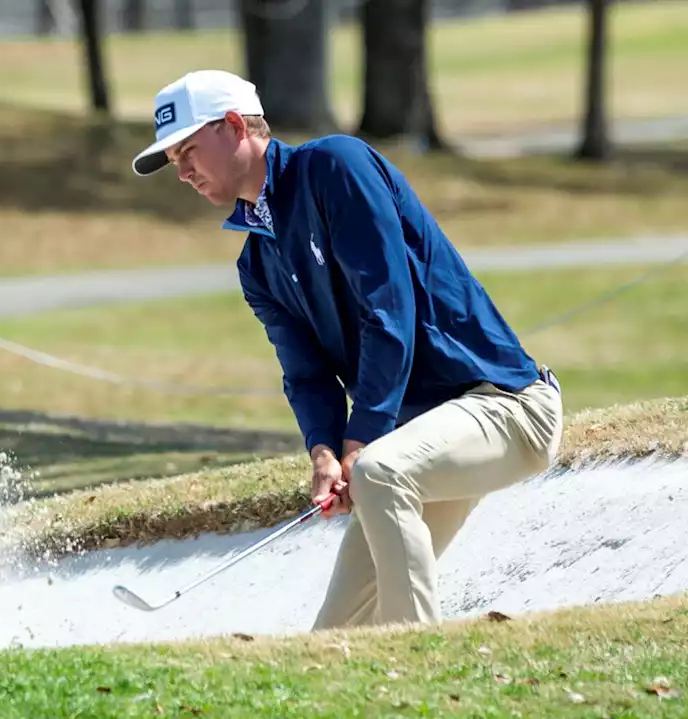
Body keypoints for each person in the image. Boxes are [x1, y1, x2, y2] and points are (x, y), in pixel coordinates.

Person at [130, 69, 564, 630]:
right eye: (172, 160)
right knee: (335, 637)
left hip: (505, 406)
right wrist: (325, 454)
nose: (183, 172)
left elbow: (389, 312)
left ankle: (425, 666)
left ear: (236, 126)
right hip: (417, 440)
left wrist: (362, 441)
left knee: (380, 473)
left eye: (188, 150)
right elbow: (306, 376)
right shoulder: (256, 264)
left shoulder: (335, 166)